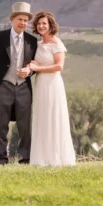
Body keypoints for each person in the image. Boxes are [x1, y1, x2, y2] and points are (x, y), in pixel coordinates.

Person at [0, 2, 39, 165]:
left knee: (25, 126)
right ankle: (1, 158)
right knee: (0, 124)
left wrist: (29, 72)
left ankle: (25, 158)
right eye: (20, 19)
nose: (23, 23)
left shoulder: (32, 41)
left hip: (24, 88)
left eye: (25, 20)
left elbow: (36, 64)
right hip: (3, 86)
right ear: (12, 20)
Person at [27, 11, 77, 167]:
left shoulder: (57, 43)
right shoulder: (38, 45)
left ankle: (56, 157)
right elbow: (35, 61)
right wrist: (30, 66)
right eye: (39, 24)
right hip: (40, 84)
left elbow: (59, 66)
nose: (41, 26)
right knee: (42, 117)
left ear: (50, 26)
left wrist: (38, 68)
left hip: (53, 84)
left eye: (44, 24)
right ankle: (42, 158)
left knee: (53, 117)